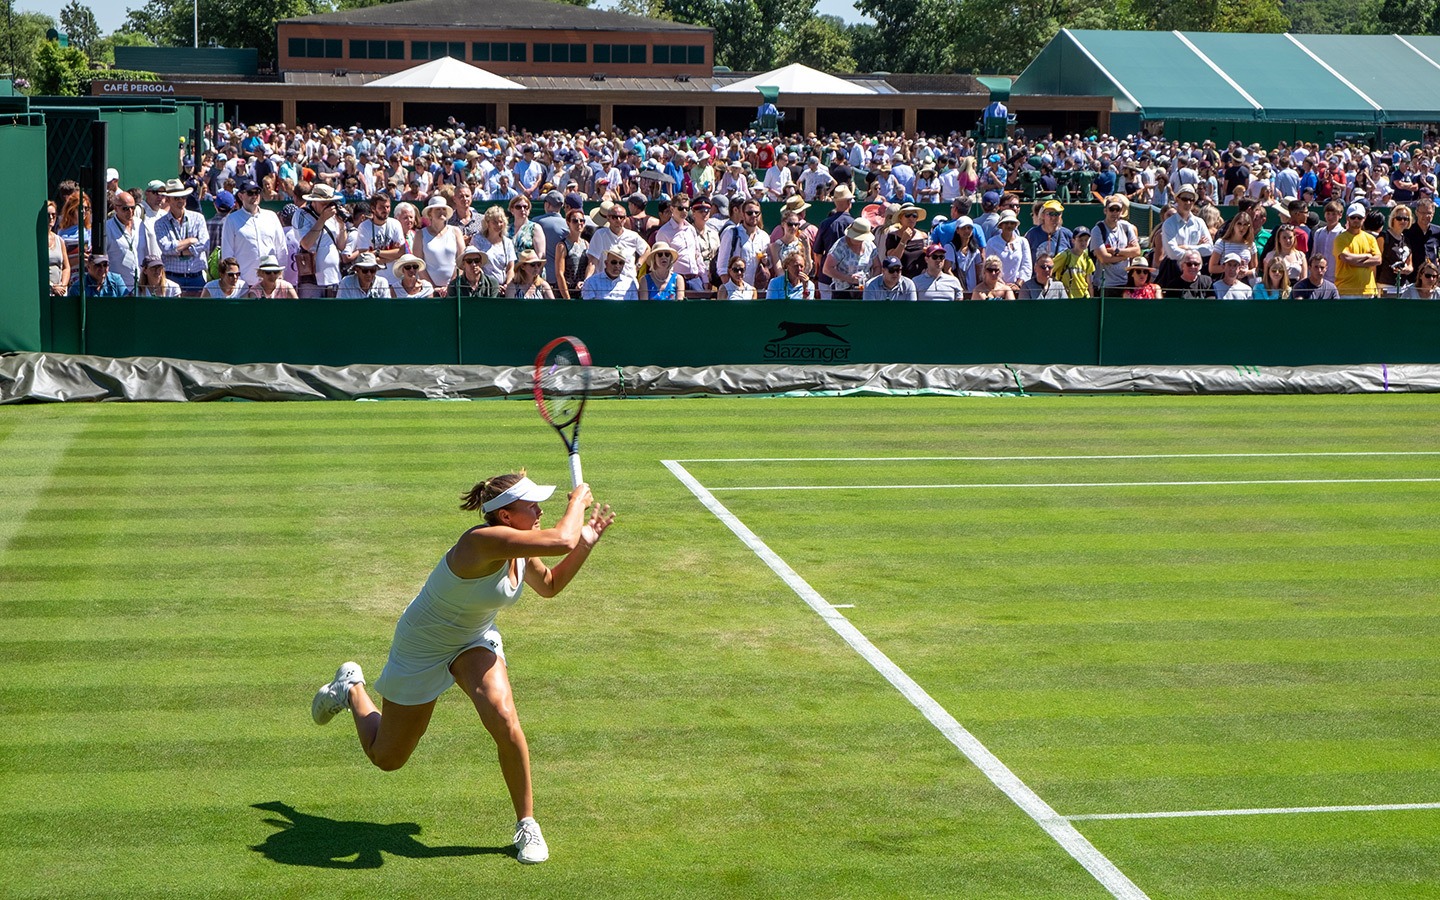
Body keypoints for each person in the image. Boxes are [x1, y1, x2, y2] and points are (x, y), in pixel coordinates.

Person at [310, 471, 614, 866]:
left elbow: (551, 584)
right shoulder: (479, 541)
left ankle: (527, 823)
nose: (541, 510)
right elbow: (562, 538)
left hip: (472, 639)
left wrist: (586, 542)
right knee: (387, 758)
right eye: (532, 505)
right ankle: (351, 687)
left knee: (504, 717)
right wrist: (577, 503)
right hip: (422, 646)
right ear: (505, 516)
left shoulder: (520, 547)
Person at [222, 179, 289, 287]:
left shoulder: (271, 216)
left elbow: (281, 248)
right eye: (250, 193)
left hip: (271, 282)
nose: (254, 196)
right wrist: (235, 280)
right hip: (244, 284)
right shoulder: (231, 220)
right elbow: (227, 253)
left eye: (257, 192)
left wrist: (280, 275)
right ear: (240, 196)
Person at [153, 179, 211, 292]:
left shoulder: (198, 218)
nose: (181, 200)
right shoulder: (160, 223)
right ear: (168, 200)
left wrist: (178, 251)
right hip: (172, 277)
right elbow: (165, 248)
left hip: (196, 276)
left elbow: (205, 243)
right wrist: (189, 241)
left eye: (183, 197)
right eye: (177, 198)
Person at [1091, 195, 1142, 298]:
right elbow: (1104, 258)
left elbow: (1137, 251)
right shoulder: (1098, 230)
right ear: (1105, 210)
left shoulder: (1126, 227)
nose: (1114, 213)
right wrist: (1126, 254)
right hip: (1105, 285)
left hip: (1124, 283)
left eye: (1117, 209)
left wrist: (1116, 251)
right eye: (1111, 209)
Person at [415, 195, 465, 291]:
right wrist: (433, 288)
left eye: (444, 209)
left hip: (455, 288)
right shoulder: (420, 234)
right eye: (438, 209)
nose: (442, 212)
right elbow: (419, 264)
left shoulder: (456, 231)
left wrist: (450, 286)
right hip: (428, 290)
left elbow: (462, 261)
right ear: (430, 213)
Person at [821, 219, 878, 300]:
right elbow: (826, 269)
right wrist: (849, 278)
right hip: (842, 292)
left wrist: (870, 282)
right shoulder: (840, 245)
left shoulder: (870, 246)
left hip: (865, 291)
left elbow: (877, 267)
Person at [1334, 203, 1381, 297]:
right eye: (1353, 217)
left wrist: (1354, 262)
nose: (1356, 220)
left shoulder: (1370, 238)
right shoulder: (1340, 238)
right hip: (1346, 291)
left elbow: (1378, 260)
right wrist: (1367, 256)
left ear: (1364, 219)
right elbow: (1345, 257)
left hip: (1368, 291)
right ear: (1347, 218)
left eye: (1359, 217)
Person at [984, 209, 1031, 293]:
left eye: (1012, 223)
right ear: (1001, 225)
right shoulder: (992, 242)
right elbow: (989, 267)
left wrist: (1018, 284)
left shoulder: (1023, 242)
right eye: (1006, 223)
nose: (1009, 225)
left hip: (1019, 289)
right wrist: (1003, 286)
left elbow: (1027, 266)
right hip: (997, 288)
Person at [1378, 205, 1414, 295]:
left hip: (1402, 287)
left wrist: (1407, 269)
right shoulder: (1384, 236)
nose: (1402, 221)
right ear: (1393, 219)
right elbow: (1377, 262)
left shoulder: (1406, 240)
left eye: (1406, 219)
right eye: (1399, 218)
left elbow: (1410, 264)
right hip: (1385, 285)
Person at [554, 209, 590, 300]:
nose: (579, 223)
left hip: (582, 292)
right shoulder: (562, 245)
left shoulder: (586, 244)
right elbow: (559, 274)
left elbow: (590, 266)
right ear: (568, 223)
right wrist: (567, 298)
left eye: (582, 220)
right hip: (565, 293)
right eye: (575, 221)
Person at [1051, 226, 1094, 299]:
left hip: (1083, 298)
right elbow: (1050, 270)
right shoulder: (1064, 255)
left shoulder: (1087, 259)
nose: (1083, 243)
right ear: (1073, 240)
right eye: (1080, 240)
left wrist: (1091, 299)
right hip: (1066, 298)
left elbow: (1089, 283)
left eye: (1086, 240)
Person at [45, 200, 70, 296]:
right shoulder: (37, 241)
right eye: (48, 215)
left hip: (60, 293)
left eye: (53, 215)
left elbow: (66, 267)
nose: (51, 218)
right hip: (45, 292)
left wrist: (63, 286)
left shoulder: (60, 240)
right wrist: (52, 286)